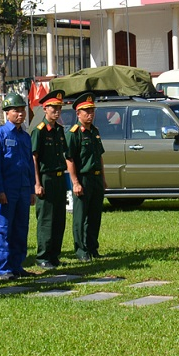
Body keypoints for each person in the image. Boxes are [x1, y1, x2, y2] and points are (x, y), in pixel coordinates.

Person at [0, 93, 35, 278]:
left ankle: (17, 265)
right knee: (4, 228)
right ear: (7, 112)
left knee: (21, 228)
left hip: (23, 189)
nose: (20, 113)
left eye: (22, 110)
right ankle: (5, 267)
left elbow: (29, 164)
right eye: (16, 110)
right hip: (7, 190)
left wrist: (31, 189)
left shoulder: (25, 137)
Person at [65, 93, 105, 263]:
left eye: (92, 111)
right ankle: (81, 250)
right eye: (86, 111)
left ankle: (92, 247)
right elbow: (70, 159)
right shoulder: (74, 133)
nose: (90, 114)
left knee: (95, 215)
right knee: (80, 217)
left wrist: (103, 178)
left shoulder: (94, 131)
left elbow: (100, 156)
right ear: (78, 113)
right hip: (83, 179)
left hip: (96, 178)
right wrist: (75, 182)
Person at [31, 90, 69, 268]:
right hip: (46, 179)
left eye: (59, 108)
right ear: (45, 109)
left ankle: (54, 255)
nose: (57, 111)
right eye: (53, 107)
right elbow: (34, 158)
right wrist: (37, 183)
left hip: (59, 179)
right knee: (46, 219)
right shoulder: (39, 131)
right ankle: (43, 256)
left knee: (59, 218)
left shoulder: (59, 130)